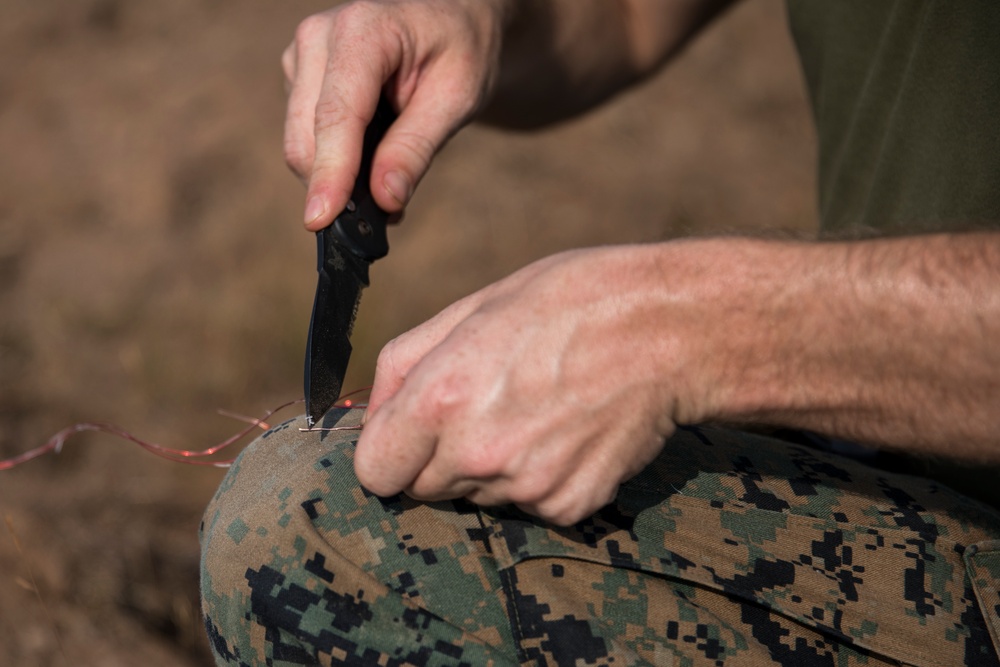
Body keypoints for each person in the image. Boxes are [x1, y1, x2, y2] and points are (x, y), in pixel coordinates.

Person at [200, 1, 1000, 665]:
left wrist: (708, 325)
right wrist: (485, 13)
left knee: (306, 534)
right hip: (878, 458)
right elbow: (628, 16)